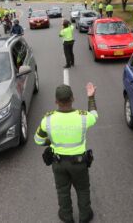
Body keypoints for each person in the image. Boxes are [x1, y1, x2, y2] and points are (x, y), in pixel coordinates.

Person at [34, 83, 98, 223]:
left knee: (62, 190)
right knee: (82, 189)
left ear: (56, 101)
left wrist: (50, 143)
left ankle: (66, 216)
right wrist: (91, 97)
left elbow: (38, 140)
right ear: (73, 99)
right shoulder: (83, 117)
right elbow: (95, 115)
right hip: (79, 164)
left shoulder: (47, 120)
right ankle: (85, 215)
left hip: (58, 163)